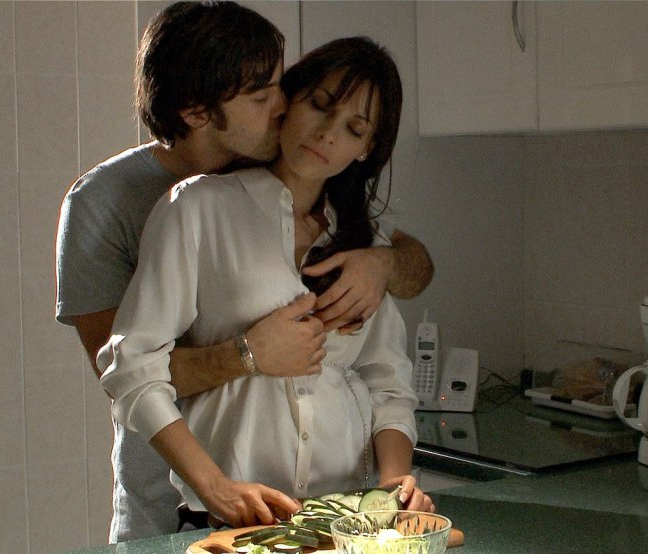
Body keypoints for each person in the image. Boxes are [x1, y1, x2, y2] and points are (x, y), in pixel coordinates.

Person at [54, 2, 432, 542]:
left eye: (280, 87)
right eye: (263, 96)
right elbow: (124, 367)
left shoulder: (349, 228)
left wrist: (384, 261)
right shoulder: (142, 204)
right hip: (176, 505)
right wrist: (250, 355)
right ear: (197, 112)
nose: (281, 105)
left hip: (334, 518)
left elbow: (387, 372)